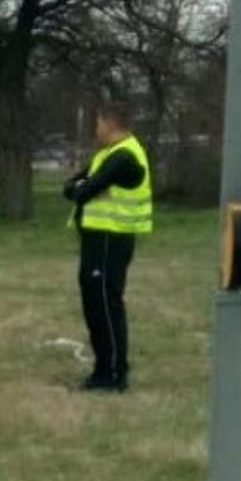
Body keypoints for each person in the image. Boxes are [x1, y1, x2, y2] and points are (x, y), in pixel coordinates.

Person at [63, 103, 152, 393]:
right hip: (95, 241)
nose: (95, 129)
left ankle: (114, 374)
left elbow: (84, 190)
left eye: (98, 123)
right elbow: (70, 187)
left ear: (111, 123)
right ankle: (102, 368)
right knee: (93, 306)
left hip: (111, 241)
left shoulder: (125, 156)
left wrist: (83, 187)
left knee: (105, 305)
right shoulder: (106, 154)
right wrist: (80, 187)